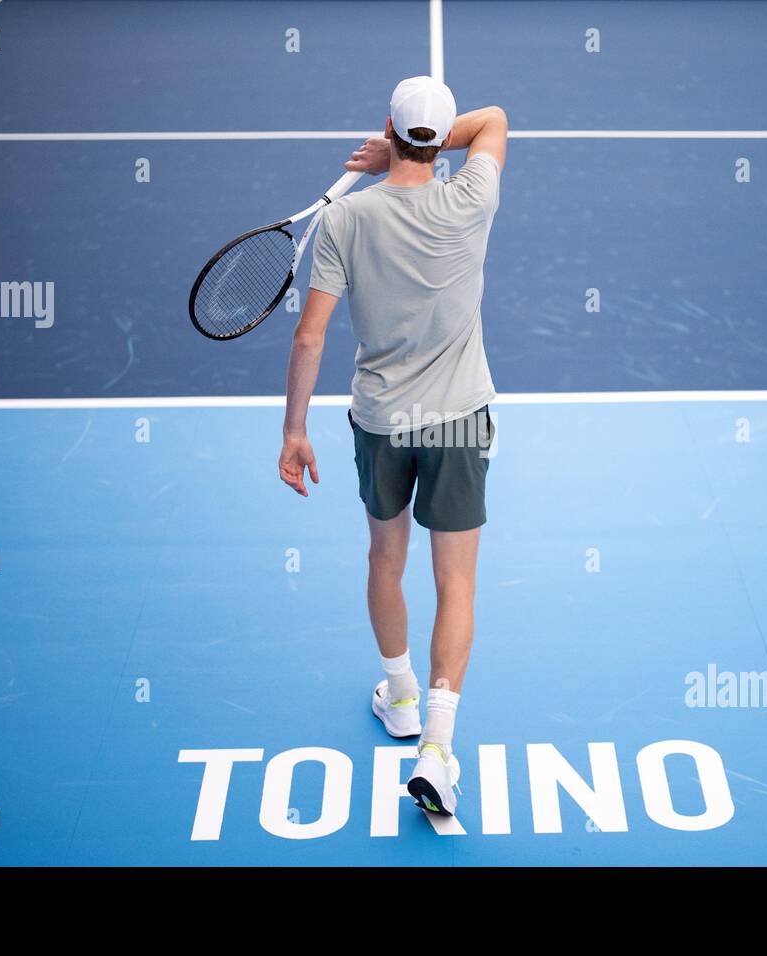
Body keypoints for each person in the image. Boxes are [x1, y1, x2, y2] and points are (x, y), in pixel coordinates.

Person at [277, 76, 507, 816]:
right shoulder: (472, 198)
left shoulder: (346, 220)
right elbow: (494, 119)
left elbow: (308, 334)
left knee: (385, 555)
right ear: (440, 144)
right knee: (457, 582)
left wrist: (294, 428)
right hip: (460, 420)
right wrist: (407, 149)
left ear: (386, 128)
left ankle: (401, 695)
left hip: (381, 421)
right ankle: (436, 747)